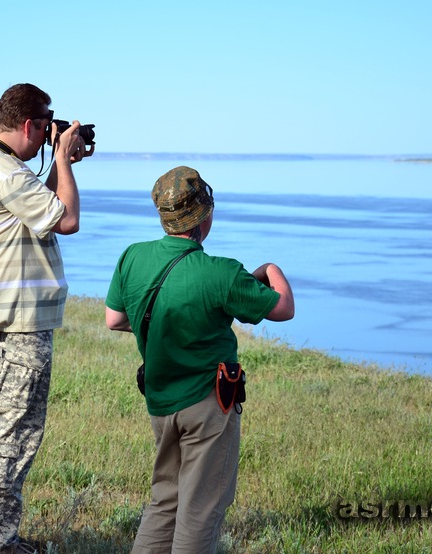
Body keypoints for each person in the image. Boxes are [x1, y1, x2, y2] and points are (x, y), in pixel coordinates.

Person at [105, 166, 295, 554]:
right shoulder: (221, 273)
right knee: (201, 512)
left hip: (161, 403)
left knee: (165, 501)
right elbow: (284, 308)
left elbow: (116, 319)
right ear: (205, 217)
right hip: (208, 406)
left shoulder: (133, 257)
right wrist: (270, 269)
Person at [0, 83, 94, 554]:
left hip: (1, 318)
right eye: (46, 127)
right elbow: (68, 219)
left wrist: (61, 163)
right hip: (17, 323)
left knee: (3, 427)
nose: (48, 136)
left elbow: (45, 214)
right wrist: (60, 158)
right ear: (31, 125)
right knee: (13, 433)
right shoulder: (6, 173)